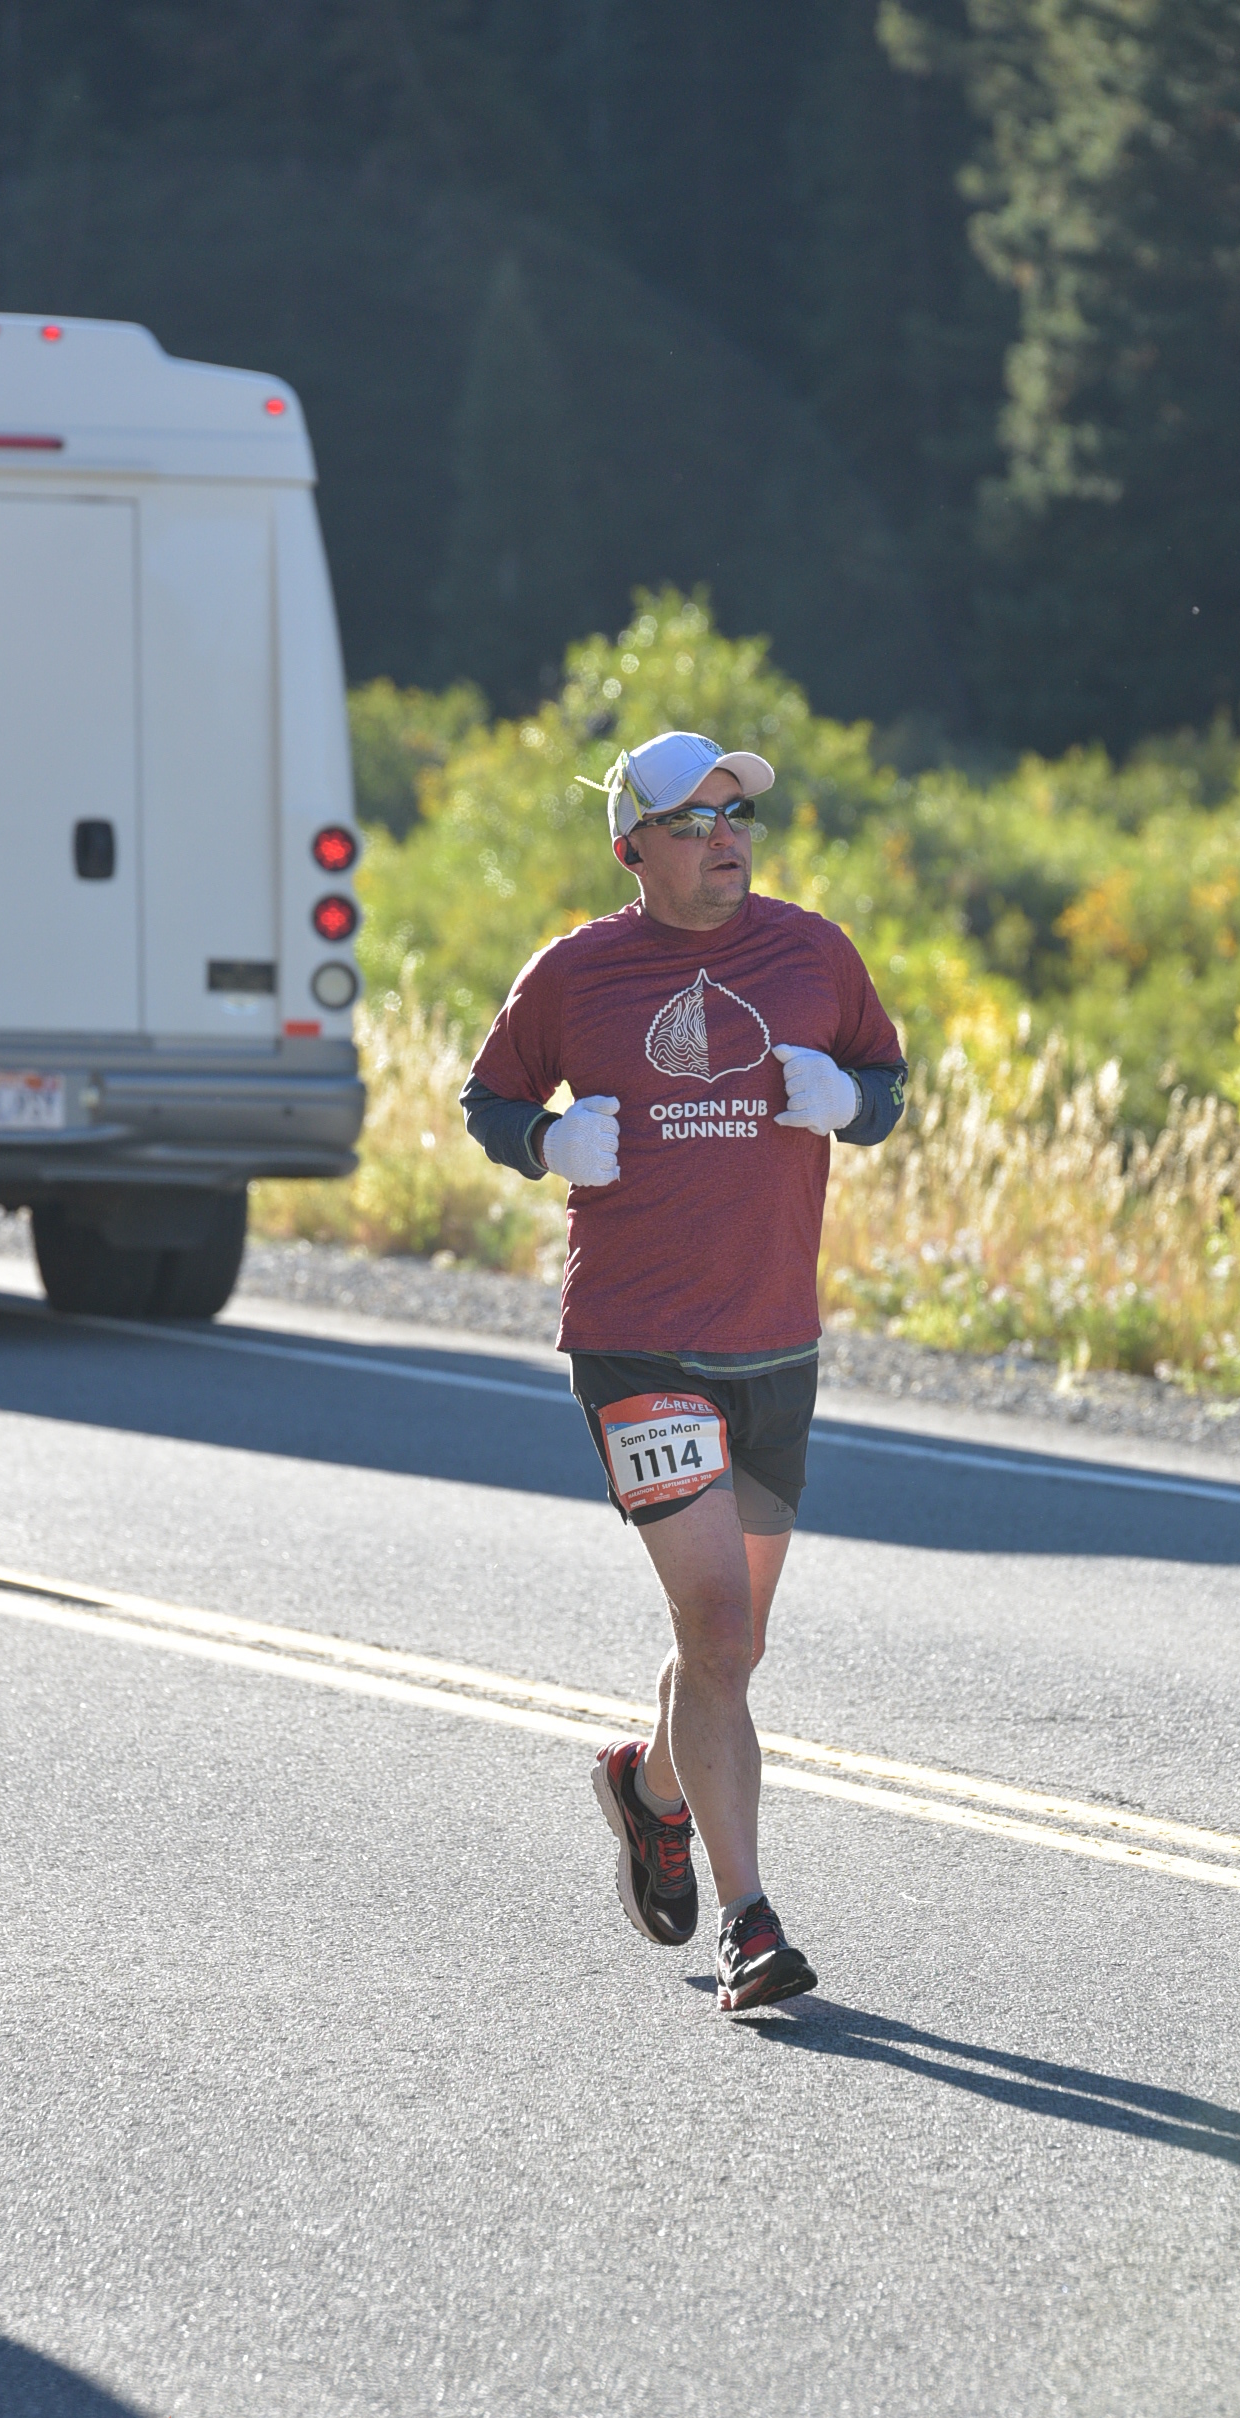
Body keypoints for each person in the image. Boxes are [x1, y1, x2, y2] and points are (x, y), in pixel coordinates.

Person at [461, 730, 907, 2011]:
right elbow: (489, 1100)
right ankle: (749, 1921)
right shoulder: (576, 973)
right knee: (712, 1623)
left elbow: (886, 1083)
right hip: (636, 1342)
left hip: (774, 1342)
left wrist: (849, 1103)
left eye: (737, 815)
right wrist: (547, 1140)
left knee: (735, 1646)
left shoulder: (814, 953)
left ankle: (650, 1787)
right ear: (633, 848)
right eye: (695, 820)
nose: (726, 838)